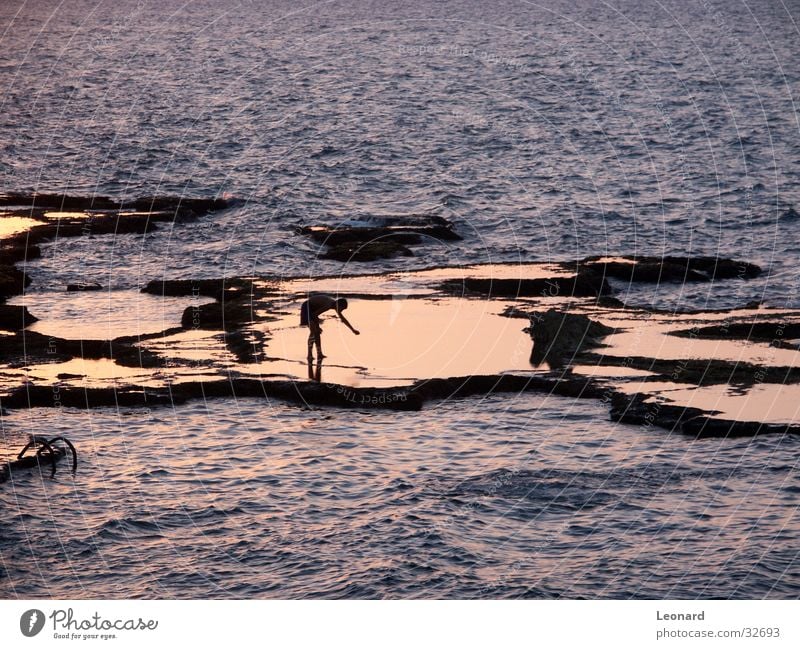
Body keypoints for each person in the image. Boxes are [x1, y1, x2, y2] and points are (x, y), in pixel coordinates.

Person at [300, 295, 359, 360]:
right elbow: (314, 315)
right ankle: (309, 355)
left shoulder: (334, 304)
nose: (341, 311)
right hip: (307, 307)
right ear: (338, 305)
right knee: (314, 332)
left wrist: (353, 330)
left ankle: (319, 353)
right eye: (341, 309)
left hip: (313, 309)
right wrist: (318, 326)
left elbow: (343, 319)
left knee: (317, 333)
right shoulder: (329, 305)